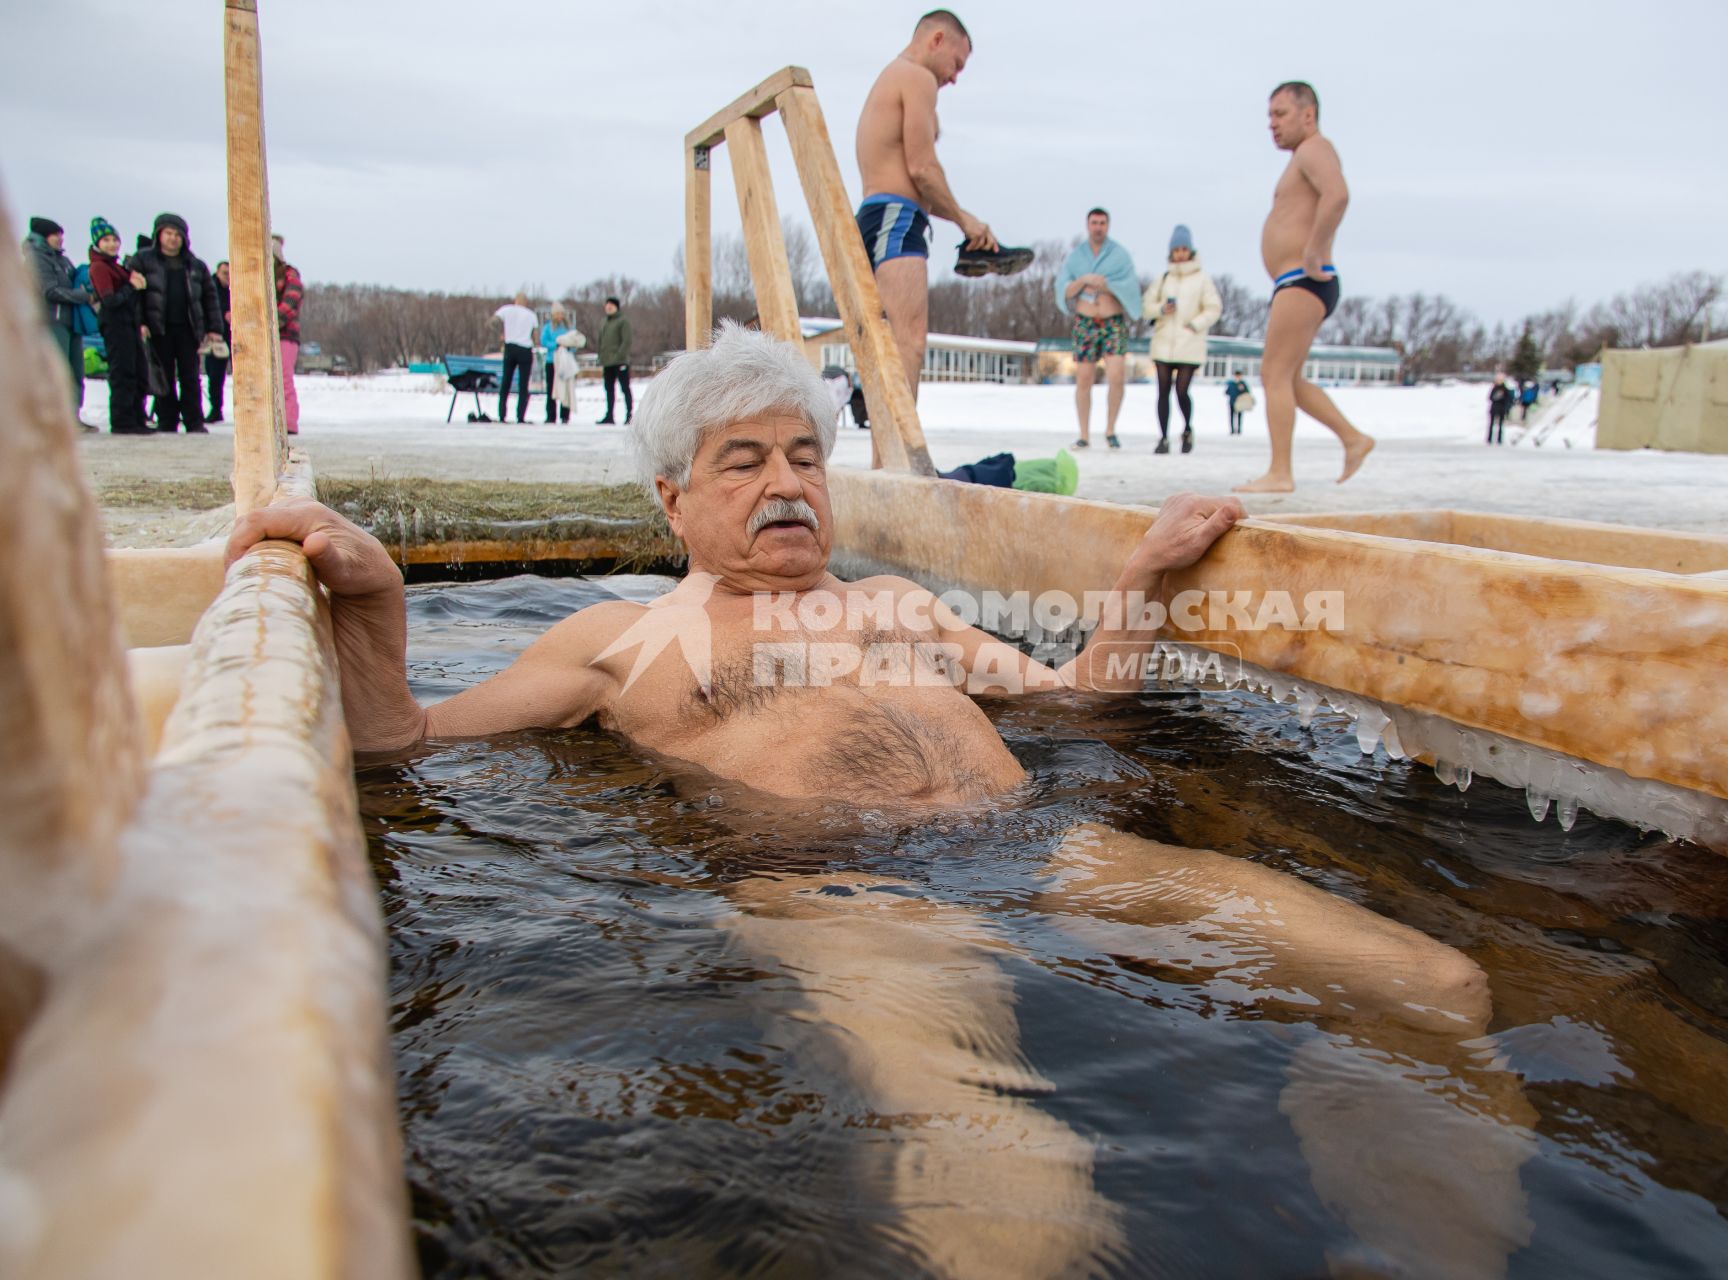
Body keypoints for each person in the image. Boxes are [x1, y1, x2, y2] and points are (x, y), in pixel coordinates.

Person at [227, 323, 1514, 1276]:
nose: (787, 482)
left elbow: (1074, 702)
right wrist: (377, 606)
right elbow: (402, 743)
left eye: (804, 454)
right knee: (1022, 1200)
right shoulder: (621, 638)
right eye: (743, 462)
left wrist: (1138, 579)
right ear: (671, 498)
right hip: (843, 890)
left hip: (1042, 845)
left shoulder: (896, 605)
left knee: (1435, 987)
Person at [854, 9, 1016, 432]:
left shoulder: (892, 77)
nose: (955, 77)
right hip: (896, 218)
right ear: (937, 39)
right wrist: (965, 221)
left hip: (878, 215)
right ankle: (898, 459)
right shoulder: (917, 77)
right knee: (907, 342)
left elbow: (915, 175)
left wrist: (966, 221)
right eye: (957, 64)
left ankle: (886, 462)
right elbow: (923, 168)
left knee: (885, 344)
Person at [1236, 83, 1376, 494]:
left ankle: (1280, 472)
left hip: (1303, 279)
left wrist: (1314, 251)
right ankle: (1353, 438)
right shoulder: (1303, 155)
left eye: (1280, 114)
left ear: (1308, 115)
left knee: (1273, 373)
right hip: (1296, 282)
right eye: (1269, 117)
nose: (1272, 124)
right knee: (1289, 380)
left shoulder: (1315, 148)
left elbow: (1338, 195)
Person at [1055, 208, 1141, 450]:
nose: (1098, 227)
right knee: (1084, 379)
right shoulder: (1076, 257)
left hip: (1112, 322)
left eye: (1102, 223)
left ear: (1108, 226)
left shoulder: (1119, 255)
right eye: (1094, 223)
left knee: (1116, 376)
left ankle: (1111, 430)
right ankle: (1084, 434)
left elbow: (1130, 287)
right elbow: (1064, 288)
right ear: (1087, 225)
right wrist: (1084, 280)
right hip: (1085, 322)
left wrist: (1108, 285)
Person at [129, 212, 221, 434]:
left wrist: (214, 328)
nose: (173, 239)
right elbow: (135, 297)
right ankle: (167, 419)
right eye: (168, 233)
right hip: (158, 328)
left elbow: (210, 298)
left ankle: (194, 420)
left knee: (190, 376)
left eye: (177, 235)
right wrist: (140, 322)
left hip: (189, 328)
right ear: (159, 235)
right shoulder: (143, 260)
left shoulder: (196, 266)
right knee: (164, 376)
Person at [1140, 224, 1222, 455]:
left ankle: (1187, 429)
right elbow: (1146, 307)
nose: (1180, 254)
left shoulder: (1202, 279)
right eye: (1176, 250)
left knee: (1182, 390)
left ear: (1191, 251)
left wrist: (1194, 325)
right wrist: (1160, 309)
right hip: (1164, 341)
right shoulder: (1163, 279)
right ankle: (1163, 437)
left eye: (1184, 249)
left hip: (1189, 342)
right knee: (1163, 390)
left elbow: (1214, 308)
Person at [22, 216, 93, 427]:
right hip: (52, 322)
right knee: (58, 371)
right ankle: (53, 418)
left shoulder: (62, 260)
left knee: (75, 371)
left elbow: (73, 283)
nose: (61, 239)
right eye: (56, 235)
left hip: (71, 322)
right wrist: (81, 295)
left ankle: (72, 416)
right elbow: (49, 291)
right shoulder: (36, 258)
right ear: (44, 236)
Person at [85, 218, 152, 435]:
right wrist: (131, 287)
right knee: (123, 372)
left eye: (115, 239)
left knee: (138, 371)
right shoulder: (99, 267)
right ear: (97, 243)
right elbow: (110, 300)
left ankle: (137, 418)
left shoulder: (115, 266)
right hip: (115, 324)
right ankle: (123, 421)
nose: (112, 244)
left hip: (128, 323)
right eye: (106, 240)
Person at [271, 234, 301, 434]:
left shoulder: (290, 274)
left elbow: (291, 302)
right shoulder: (254, 275)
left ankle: (289, 422)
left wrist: (271, 323)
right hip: (260, 338)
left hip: (285, 336)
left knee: (283, 378)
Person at [493, 292, 537, 423]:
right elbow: (535, 336)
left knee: (506, 381)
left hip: (510, 347)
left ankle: (502, 414)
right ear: (526, 302)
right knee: (523, 385)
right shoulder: (531, 315)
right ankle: (520, 416)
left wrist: (501, 333)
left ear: (515, 301)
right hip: (525, 349)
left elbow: (492, 321)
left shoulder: (506, 310)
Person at [595, 297, 633, 425]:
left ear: (616, 307)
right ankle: (609, 415)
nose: (608, 307)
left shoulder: (623, 321)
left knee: (625, 388)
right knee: (609, 389)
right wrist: (600, 355)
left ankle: (629, 415)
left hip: (620, 361)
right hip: (607, 362)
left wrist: (619, 356)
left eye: (611, 305)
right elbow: (600, 341)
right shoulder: (603, 321)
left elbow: (626, 341)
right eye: (607, 305)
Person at [205, 261, 232, 423]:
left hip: (236, 337)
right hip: (216, 337)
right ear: (217, 272)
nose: (227, 277)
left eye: (230, 273)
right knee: (215, 375)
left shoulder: (239, 287)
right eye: (224, 273)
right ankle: (216, 409)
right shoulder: (210, 288)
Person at [539, 303, 573, 424]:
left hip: (565, 362)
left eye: (561, 314)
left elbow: (574, 342)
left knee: (565, 388)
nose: (559, 316)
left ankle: (565, 415)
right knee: (551, 389)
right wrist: (556, 345)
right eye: (557, 314)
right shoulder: (548, 328)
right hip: (552, 361)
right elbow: (543, 341)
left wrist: (568, 348)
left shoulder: (568, 327)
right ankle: (550, 415)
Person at [1486, 377, 1512, 444]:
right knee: (1491, 424)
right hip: (1494, 408)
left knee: (1500, 425)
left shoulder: (1505, 389)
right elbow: (1490, 397)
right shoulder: (1494, 388)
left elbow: (1508, 399)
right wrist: (1496, 397)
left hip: (1501, 408)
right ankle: (1489, 438)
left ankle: (1499, 439)